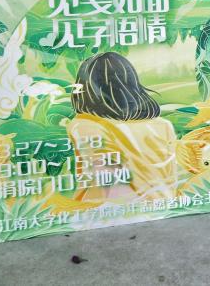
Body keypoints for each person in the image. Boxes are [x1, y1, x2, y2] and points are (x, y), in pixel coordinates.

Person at [68, 51, 177, 203]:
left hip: (120, 207)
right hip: (164, 203)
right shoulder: (163, 125)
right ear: (132, 82)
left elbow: (105, 184)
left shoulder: (86, 125)